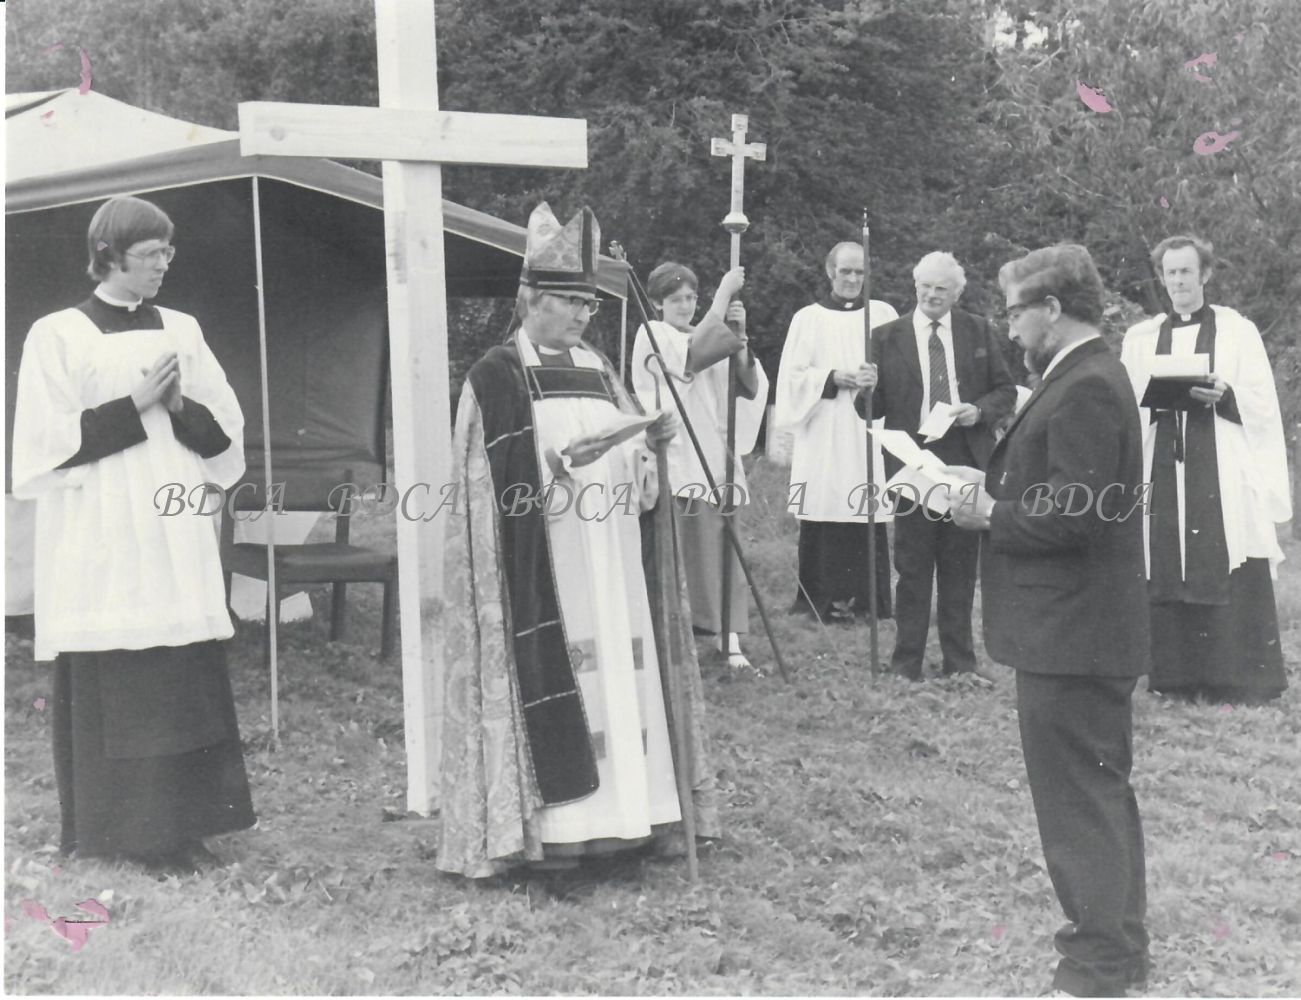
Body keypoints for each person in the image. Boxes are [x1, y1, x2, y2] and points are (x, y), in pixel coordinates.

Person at [437, 202, 719, 878]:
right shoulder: (496, 376)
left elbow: (638, 473)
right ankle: (562, 838)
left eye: (589, 305)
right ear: (530, 299)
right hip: (548, 565)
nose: (583, 317)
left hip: (614, 558)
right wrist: (557, 465)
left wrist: (649, 446)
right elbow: (482, 488)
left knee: (623, 677)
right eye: (569, 303)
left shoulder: (598, 366)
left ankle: (630, 823)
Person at [11, 195, 254, 871]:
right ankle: (123, 831)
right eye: (150, 254)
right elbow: (42, 445)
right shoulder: (58, 334)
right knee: (121, 671)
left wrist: (178, 406)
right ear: (108, 256)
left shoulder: (183, 329)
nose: (163, 265)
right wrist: (134, 405)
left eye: (168, 252)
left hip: (172, 526)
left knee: (181, 670)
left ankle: (185, 827)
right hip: (102, 529)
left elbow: (225, 433)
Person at [949, 244, 1150, 997]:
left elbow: (1075, 516)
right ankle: (1117, 951)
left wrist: (989, 513)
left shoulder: (1086, 385)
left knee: (1078, 803)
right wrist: (988, 483)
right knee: (1097, 793)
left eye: (1014, 312)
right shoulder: (1082, 376)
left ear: (1052, 309)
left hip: (1071, 632)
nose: (1009, 328)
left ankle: (1094, 968)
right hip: (1076, 629)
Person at [1120, 235, 1290, 704]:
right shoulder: (1142, 338)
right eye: (1170, 273)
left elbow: (1261, 399)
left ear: (1205, 275)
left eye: (1186, 271)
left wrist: (1226, 394)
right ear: (1162, 278)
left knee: (1226, 546)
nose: (1178, 281)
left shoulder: (1237, 332)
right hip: (1164, 463)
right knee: (1167, 554)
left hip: (1221, 462)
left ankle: (1237, 679)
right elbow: (1127, 402)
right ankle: (1175, 677)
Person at [861, 252, 1014, 681]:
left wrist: (978, 411)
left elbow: (1005, 391)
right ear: (915, 286)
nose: (931, 294)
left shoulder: (977, 330)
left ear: (957, 293)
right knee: (912, 567)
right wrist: (865, 389)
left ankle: (959, 665)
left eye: (941, 289)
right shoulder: (885, 336)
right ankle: (905, 663)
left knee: (959, 568)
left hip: (965, 458)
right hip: (912, 462)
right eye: (924, 286)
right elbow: (869, 408)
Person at [631, 261, 769, 670]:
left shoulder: (707, 329)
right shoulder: (652, 334)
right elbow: (693, 357)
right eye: (676, 299)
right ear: (657, 303)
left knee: (723, 549)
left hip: (716, 455)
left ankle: (728, 635)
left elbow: (747, 385)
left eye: (692, 298)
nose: (686, 306)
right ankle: (677, 633)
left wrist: (740, 338)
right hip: (679, 458)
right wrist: (723, 296)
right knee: (684, 551)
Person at [774, 241, 897, 623]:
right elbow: (792, 378)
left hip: (866, 428)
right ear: (830, 272)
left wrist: (877, 377)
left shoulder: (882, 314)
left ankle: (869, 602)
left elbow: (901, 369)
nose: (853, 279)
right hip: (824, 427)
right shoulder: (808, 319)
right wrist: (833, 377)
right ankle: (821, 600)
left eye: (860, 272)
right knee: (825, 501)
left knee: (865, 501)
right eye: (845, 271)